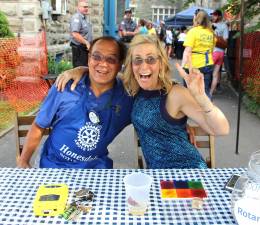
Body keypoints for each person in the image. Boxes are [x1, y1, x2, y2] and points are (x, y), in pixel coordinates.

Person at [56, 34, 229, 169]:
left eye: (150, 59)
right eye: (137, 60)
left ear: (161, 63)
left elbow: (221, 129)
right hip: (156, 176)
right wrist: (81, 69)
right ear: (131, 65)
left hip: (186, 172)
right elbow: (104, 71)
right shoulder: (134, 86)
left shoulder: (175, 93)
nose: (144, 66)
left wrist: (201, 98)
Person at [17, 36, 133, 169]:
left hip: (96, 169)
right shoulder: (64, 86)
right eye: (96, 57)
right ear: (89, 59)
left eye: (111, 59)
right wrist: (23, 161)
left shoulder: (127, 97)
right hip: (53, 165)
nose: (103, 64)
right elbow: (39, 125)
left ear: (120, 64)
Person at [181, 10, 215, 99]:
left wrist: (182, 67)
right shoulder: (211, 33)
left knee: (189, 92)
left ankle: (190, 111)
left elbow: (187, 51)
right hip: (208, 64)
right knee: (204, 90)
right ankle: (207, 111)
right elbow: (212, 50)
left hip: (194, 65)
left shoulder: (193, 31)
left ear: (196, 19)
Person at [210, 9, 229, 96]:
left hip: (214, 52)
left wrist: (215, 36)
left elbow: (225, 40)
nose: (213, 16)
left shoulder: (212, 25)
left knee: (207, 72)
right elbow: (225, 39)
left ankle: (206, 92)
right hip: (221, 53)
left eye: (215, 15)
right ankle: (210, 93)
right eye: (213, 15)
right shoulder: (224, 26)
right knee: (215, 74)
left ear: (220, 16)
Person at [69, 0, 93, 67]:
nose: (86, 9)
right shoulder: (77, 17)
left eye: (87, 7)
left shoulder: (84, 18)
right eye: (84, 7)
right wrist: (86, 42)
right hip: (79, 49)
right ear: (78, 7)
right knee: (80, 70)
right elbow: (75, 34)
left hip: (84, 48)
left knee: (85, 69)